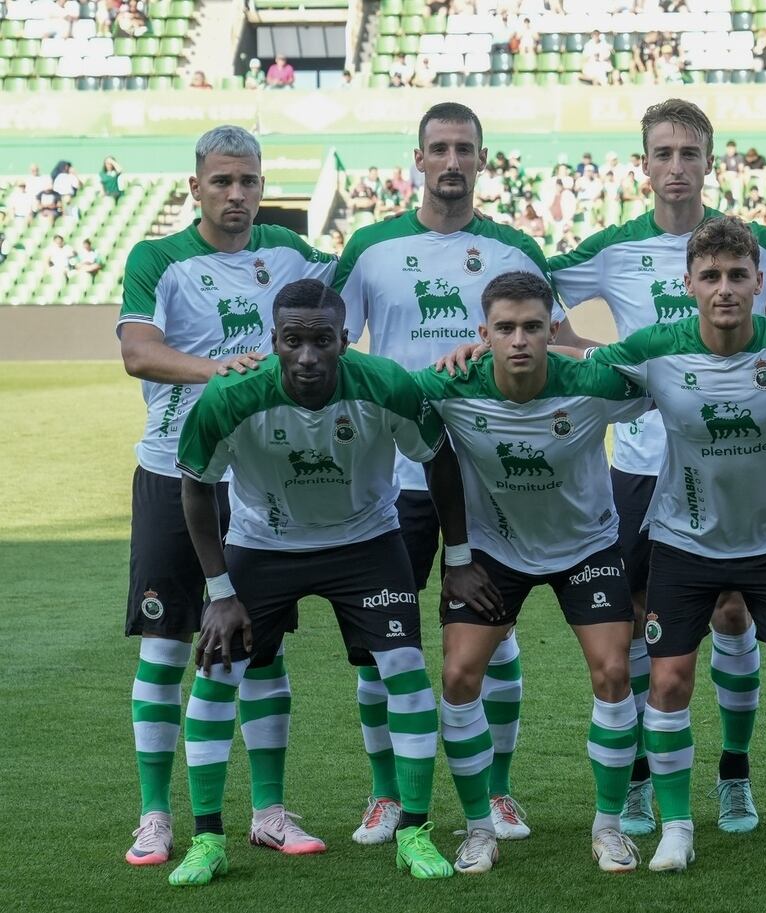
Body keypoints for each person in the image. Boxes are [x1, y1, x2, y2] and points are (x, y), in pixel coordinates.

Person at [541, 100, 766, 837]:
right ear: (644, 164)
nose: (675, 167)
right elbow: (539, 302)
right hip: (638, 468)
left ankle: (733, 773)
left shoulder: (746, 245)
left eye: (688, 153)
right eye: (662, 153)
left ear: (708, 161)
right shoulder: (611, 249)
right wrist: (590, 363)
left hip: (737, 470)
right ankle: (638, 779)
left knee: (732, 614)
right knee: (634, 626)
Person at [332, 102, 595, 846]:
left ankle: (498, 792)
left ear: (483, 159)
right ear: (417, 158)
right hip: (401, 485)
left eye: (465, 149)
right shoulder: (373, 247)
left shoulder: (513, 246)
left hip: (497, 484)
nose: (452, 161)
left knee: (496, 639)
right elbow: (335, 347)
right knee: (384, 641)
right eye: (439, 148)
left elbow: (564, 339)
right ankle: (386, 794)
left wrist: (646, 370)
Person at [169, 279, 453, 885]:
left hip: (368, 543)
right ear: (272, 340)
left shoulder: (387, 385)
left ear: (345, 340)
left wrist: (460, 555)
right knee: (217, 671)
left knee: (403, 669)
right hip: (262, 546)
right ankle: (208, 838)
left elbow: (440, 460)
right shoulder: (229, 396)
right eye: (293, 340)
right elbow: (195, 486)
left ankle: (415, 830)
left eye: (322, 340)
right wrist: (219, 593)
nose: (306, 355)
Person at [115, 125, 336, 869]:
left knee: (262, 647)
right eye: (223, 182)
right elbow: (138, 352)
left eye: (249, 181)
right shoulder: (159, 258)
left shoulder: (293, 255)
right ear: (196, 186)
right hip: (173, 472)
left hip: (259, 479)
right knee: (167, 642)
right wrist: (221, 371)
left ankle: (268, 810)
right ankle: (154, 814)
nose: (238, 195)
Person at [587, 217, 766, 873]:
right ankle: (675, 828)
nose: (725, 288)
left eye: (737, 275)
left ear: (759, 281)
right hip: (683, 543)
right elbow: (575, 376)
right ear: (688, 284)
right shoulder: (653, 348)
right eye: (711, 276)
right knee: (667, 680)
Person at [413, 271, 650, 874]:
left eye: (533, 328)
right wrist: (457, 556)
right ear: (482, 333)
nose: (519, 340)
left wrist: (578, 349)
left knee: (615, 673)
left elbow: (658, 379)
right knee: (460, 676)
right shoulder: (451, 386)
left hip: (588, 547)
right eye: (505, 328)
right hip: (494, 551)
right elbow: (383, 392)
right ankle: (477, 829)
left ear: (551, 329)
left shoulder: (590, 384)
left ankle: (609, 828)